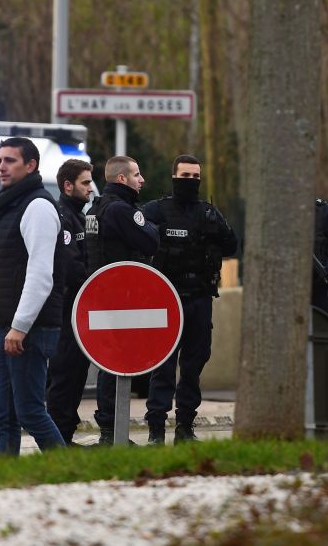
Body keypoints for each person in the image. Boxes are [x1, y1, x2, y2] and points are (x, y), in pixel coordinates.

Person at [0, 137, 67, 455]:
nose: (2, 167)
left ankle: (68, 473)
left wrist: (20, 326)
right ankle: (4, 479)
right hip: (6, 328)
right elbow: (10, 275)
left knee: (30, 413)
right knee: (5, 418)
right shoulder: (11, 205)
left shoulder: (38, 207)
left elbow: (40, 275)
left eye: (10, 160)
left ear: (31, 166)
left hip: (29, 331)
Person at [142, 154, 238, 445]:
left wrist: (215, 234)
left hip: (199, 299)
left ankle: (185, 426)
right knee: (164, 367)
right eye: (185, 177)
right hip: (166, 299)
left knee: (194, 364)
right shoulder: (156, 211)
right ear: (174, 177)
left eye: (195, 177)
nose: (191, 182)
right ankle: (156, 429)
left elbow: (232, 245)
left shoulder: (209, 213)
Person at [85, 155, 159, 445]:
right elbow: (150, 241)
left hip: (102, 294)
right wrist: (151, 227)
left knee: (109, 363)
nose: (142, 180)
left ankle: (110, 432)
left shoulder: (96, 209)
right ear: (121, 179)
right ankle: (112, 433)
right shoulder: (119, 210)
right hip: (121, 297)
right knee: (116, 364)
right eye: (137, 174)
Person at [45, 158, 96, 445]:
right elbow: (72, 266)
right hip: (66, 311)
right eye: (85, 183)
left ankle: (65, 436)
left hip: (79, 309)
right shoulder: (62, 215)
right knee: (65, 376)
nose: (91, 188)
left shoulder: (79, 215)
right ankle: (57, 441)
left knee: (76, 374)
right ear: (68, 186)